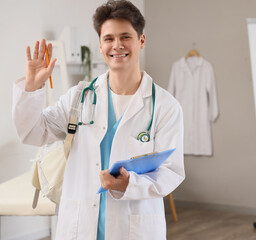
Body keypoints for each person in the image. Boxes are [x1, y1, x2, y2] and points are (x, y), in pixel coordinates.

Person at [12, 0, 185, 239]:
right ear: (100, 45)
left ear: (141, 41)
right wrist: (32, 88)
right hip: (79, 226)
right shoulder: (79, 97)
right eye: (108, 38)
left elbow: (172, 171)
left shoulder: (165, 106)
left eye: (125, 37)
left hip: (133, 228)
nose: (117, 46)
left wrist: (129, 184)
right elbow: (32, 132)